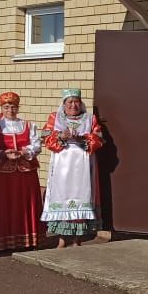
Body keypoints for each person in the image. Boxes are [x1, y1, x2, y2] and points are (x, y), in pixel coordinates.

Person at [41, 88, 104, 248]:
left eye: (76, 101)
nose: (73, 105)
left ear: (81, 103)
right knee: (61, 198)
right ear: (64, 104)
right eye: (70, 102)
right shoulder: (55, 118)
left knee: (81, 197)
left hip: (82, 165)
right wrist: (59, 137)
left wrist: (82, 138)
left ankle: (77, 240)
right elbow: (45, 136)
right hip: (62, 164)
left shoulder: (90, 118)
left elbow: (99, 139)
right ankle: (62, 239)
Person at [0, 92, 45, 252]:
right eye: (6, 107)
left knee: (25, 204)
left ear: (18, 108)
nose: (10, 110)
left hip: (25, 172)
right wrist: (3, 154)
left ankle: (27, 239)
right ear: (1, 108)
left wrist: (24, 152)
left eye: (13, 107)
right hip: (2, 174)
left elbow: (36, 145)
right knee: (3, 204)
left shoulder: (29, 125)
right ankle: (1, 240)